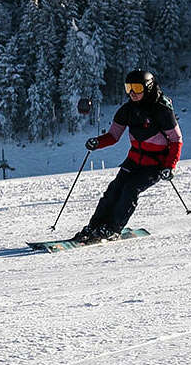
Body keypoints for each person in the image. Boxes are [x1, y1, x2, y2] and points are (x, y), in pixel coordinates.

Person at [71, 68, 182, 244]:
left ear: (148, 87)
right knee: (114, 189)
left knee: (130, 189)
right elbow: (113, 136)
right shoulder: (127, 110)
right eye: (128, 88)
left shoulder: (161, 110)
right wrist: (97, 142)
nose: (132, 93)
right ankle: (94, 226)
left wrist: (170, 166)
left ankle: (113, 228)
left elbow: (176, 140)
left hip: (155, 164)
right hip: (134, 159)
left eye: (137, 88)